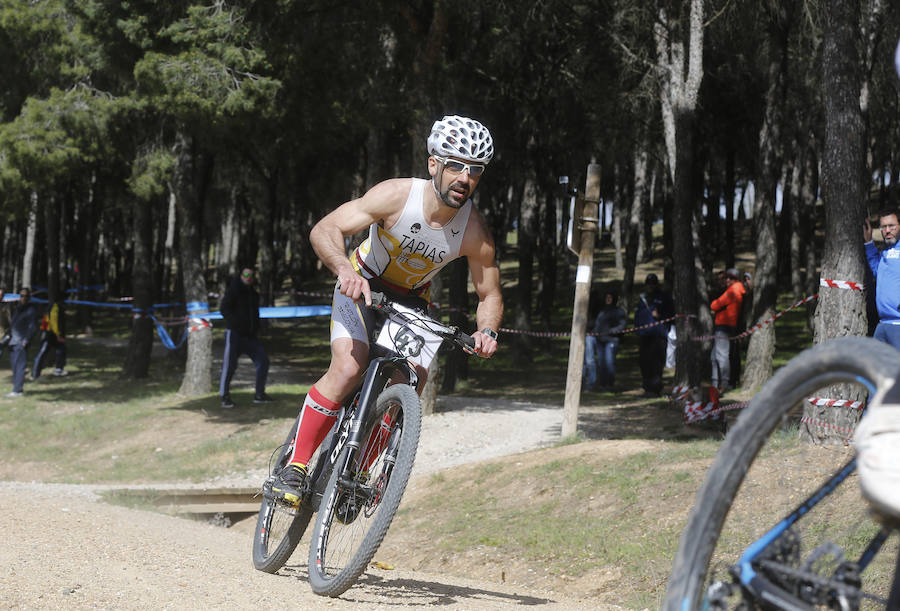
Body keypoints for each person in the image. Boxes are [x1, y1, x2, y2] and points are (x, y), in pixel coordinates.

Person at [271, 114, 503, 503]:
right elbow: (325, 229)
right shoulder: (397, 196)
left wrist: (488, 331)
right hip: (362, 282)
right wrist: (345, 269)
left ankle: (359, 473)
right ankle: (295, 466)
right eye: (455, 165)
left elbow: (490, 294)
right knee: (349, 365)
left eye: (475, 170)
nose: (465, 177)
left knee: (410, 381)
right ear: (434, 164)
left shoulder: (474, 231)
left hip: (410, 302)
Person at [218, 267, 272, 408]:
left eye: (251, 275)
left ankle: (259, 395)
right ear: (241, 275)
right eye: (246, 274)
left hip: (250, 337)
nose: (248, 277)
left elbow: (255, 314)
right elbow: (224, 309)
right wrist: (235, 323)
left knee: (263, 361)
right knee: (229, 366)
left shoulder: (253, 293)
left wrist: (256, 328)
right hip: (234, 335)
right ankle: (225, 397)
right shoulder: (233, 290)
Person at [864, 208, 900, 350]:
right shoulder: (886, 251)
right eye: (884, 227)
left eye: (892, 226)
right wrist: (868, 243)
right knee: (876, 368)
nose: (887, 230)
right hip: (882, 324)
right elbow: (876, 269)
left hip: (898, 325)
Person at [634, 273, 674, 396]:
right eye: (648, 284)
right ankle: (647, 388)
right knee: (644, 362)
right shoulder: (643, 298)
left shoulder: (664, 297)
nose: (650, 286)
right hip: (645, 335)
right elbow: (638, 315)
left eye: (653, 284)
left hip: (658, 335)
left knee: (657, 363)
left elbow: (672, 314)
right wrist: (638, 329)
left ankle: (655, 389)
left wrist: (660, 316)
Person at [709, 268, 746, 393]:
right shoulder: (737, 290)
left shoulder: (732, 291)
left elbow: (714, 305)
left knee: (721, 356)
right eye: (726, 278)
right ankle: (715, 384)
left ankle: (723, 384)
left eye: (730, 278)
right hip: (725, 326)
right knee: (714, 356)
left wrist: (716, 304)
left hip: (724, 326)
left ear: (736, 279)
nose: (727, 280)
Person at [584, 289, 626, 390]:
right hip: (600, 340)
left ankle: (609, 384)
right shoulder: (602, 311)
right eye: (606, 298)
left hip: (611, 341)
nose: (608, 299)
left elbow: (622, 326)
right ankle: (602, 384)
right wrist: (594, 331)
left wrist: (611, 331)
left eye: (610, 298)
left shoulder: (619, 311)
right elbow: (597, 325)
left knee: (609, 362)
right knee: (601, 363)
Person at [5, 288, 39, 398]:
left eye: (25, 296)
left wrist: (26, 341)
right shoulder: (18, 308)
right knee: (14, 366)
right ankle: (16, 388)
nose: (23, 298)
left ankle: (17, 390)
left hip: (21, 342)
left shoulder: (31, 310)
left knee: (20, 366)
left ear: (29, 298)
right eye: (21, 295)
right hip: (12, 342)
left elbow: (33, 327)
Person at [32, 297, 68, 379]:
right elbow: (54, 322)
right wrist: (58, 335)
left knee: (61, 349)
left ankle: (58, 369)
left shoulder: (53, 307)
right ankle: (35, 373)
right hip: (50, 334)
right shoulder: (55, 308)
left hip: (49, 333)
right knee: (43, 352)